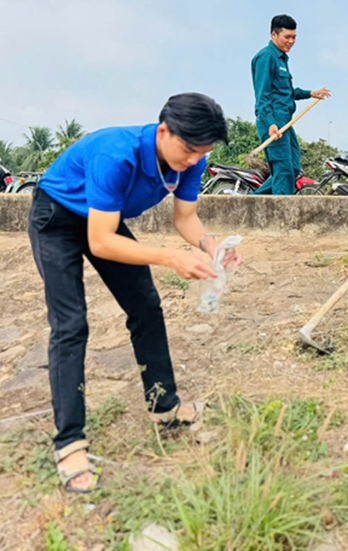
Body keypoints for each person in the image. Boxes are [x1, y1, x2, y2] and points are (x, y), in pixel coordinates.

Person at [29, 93, 239, 493]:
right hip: (57, 217)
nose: (194, 160)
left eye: (203, 153)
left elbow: (186, 217)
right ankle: (70, 442)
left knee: (146, 305)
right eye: (189, 150)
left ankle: (165, 407)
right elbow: (102, 242)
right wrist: (167, 258)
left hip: (102, 221)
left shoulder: (191, 160)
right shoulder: (116, 154)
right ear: (163, 131)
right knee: (71, 323)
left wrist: (212, 247)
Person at [251, 14, 330, 195]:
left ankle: (252, 203)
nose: (291, 41)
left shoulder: (282, 59)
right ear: (273, 35)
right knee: (283, 170)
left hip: (285, 122)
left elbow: (287, 92)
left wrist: (311, 93)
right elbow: (262, 96)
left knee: (293, 169)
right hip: (272, 122)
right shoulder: (266, 57)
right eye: (287, 37)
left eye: (294, 37)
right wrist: (271, 123)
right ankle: (280, 220)